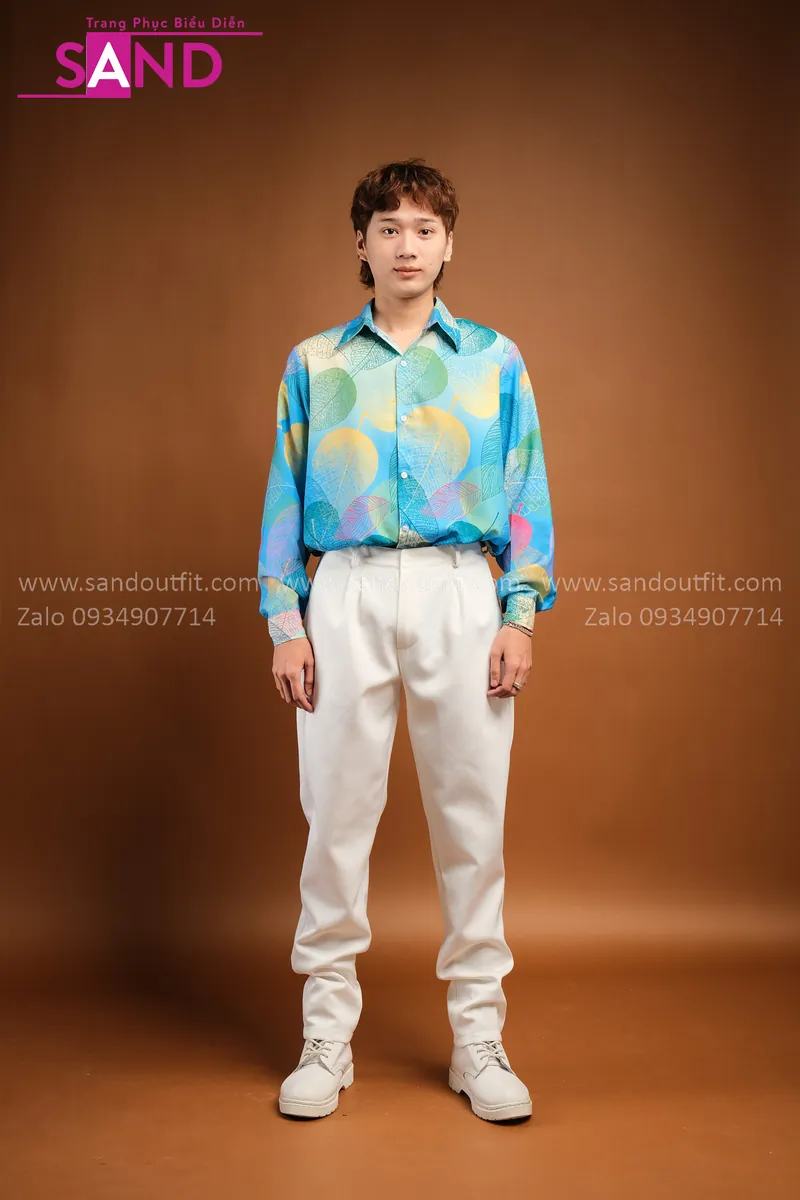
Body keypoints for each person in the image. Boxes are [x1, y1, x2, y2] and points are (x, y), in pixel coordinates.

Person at [257, 158, 557, 1122]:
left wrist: (518, 613)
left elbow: (525, 484)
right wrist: (286, 623)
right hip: (342, 591)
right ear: (362, 243)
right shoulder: (315, 362)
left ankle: (479, 1041)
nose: (407, 245)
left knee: (472, 822)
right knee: (335, 821)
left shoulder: (495, 359)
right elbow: (284, 492)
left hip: (460, 590)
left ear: (449, 243)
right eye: (388, 228)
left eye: (425, 228)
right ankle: (326, 1039)